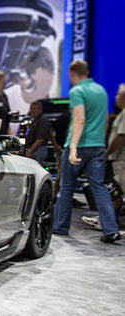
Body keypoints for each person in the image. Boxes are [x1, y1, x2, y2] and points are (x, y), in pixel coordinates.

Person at [52, 61, 121, 243]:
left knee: (66, 187)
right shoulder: (100, 90)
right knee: (99, 187)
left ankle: (60, 227)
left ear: (72, 73)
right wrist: (102, 143)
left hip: (79, 145)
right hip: (97, 145)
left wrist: (73, 147)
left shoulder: (77, 91)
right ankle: (110, 229)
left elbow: (79, 119)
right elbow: (106, 120)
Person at [83, 84, 125, 230]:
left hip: (121, 160)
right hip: (119, 159)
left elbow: (121, 137)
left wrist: (108, 152)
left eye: (118, 95)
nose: (116, 98)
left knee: (117, 191)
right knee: (117, 193)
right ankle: (107, 220)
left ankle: (105, 221)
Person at [23, 100, 51, 166]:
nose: (33, 111)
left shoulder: (42, 120)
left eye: (36, 109)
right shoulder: (34, 120)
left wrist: (31, 150)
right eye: (32, 109)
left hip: (38, 150)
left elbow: (40, 139)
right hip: (35, 149)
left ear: (40, 110)